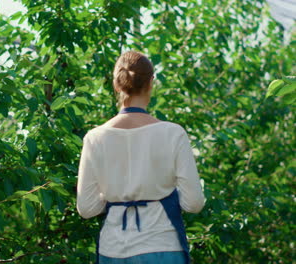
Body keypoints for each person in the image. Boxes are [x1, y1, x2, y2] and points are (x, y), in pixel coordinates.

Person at [76, 51, 205, 264]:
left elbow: (87, 208)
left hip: (113, 249)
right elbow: (194, 203)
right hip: (163, 245)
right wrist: (160, 194)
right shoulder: (173, 133)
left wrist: (116, 195)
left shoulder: (94, 138)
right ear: (151, 83)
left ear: (117, 85)